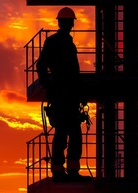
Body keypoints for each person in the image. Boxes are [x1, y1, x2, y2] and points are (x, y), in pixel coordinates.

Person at [36, 7, 85, 182]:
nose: (69, 25)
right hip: (62, 96)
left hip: (68, 96)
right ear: (67, 23)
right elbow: (41, 65)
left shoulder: (64, 43)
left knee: (70, 133)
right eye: (68, 22)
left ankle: (67, 169)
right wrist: (49, 86)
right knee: (64, 133)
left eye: (69, 22)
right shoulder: (56, 43)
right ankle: (61, 170)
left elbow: (72, 72)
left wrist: (50, 86)